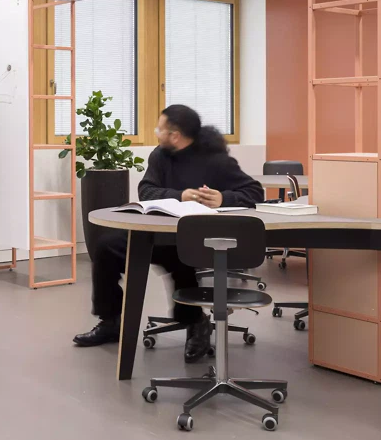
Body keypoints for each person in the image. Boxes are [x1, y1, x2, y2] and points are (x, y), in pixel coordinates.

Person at [73, 104, 264, 362]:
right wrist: (179, 196)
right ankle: (111, 322)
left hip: (196, 239)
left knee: (182, 259)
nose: (156, 133)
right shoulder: (160, 156)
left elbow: (255, 192)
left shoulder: (216, 160)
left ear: (175, 135)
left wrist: (223, 198)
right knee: (107, 246)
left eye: (159, 129)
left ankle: (196, 323)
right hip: (155, 233)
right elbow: (146, 191)